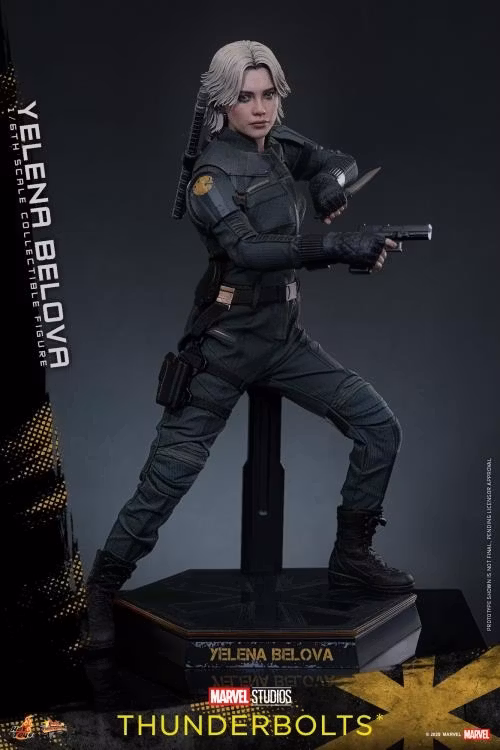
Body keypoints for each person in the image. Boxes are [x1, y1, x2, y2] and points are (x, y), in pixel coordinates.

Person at [84, 40, 414, 655]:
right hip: (224, 344)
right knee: (166, 479)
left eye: (268, 95)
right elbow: (248, 251)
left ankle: (351, 555)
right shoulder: (211, 176)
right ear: (221, 103)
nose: (259, 109)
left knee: (379, 428)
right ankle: (101, 588)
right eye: (245, 97)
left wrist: (329, 186)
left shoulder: (280, 143)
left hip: (284, 340)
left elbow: (340, 161)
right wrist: (335, 246)